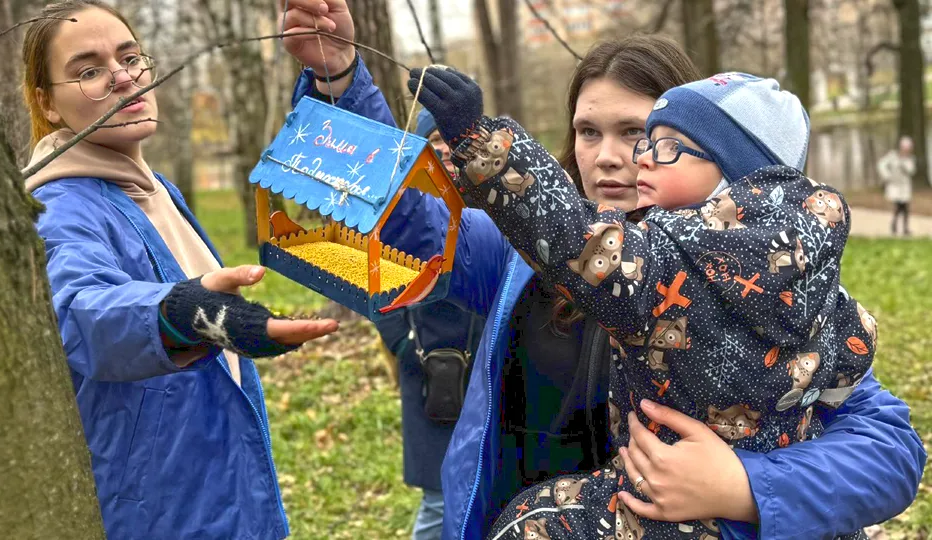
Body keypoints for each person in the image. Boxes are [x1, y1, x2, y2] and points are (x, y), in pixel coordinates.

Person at [277, 2, 925, 539]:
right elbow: (403, 225)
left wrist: (743, 487)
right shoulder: (520, 247)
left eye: (640, 134)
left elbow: (890, 451)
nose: (614, 157)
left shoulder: (767, 283)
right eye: (589, 132)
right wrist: (339, 82)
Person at [410, 66, 877, 538]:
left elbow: (568, 232)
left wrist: (480, 141)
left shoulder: (660, 267)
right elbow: (855, 353)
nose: (640, 159)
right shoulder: (820, 293)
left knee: (528, 523)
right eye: (590, 132)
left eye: (664, 145)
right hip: (784, 523)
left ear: (734, 176)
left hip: (655, 514)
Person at [21, 2, 338, 538]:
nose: (123, 78)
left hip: (220, 481)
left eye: (129, 57)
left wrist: (332, 75)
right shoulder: (63, 206)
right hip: (162, 507)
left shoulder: (149, 187)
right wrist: (177, 313)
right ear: (47, 104)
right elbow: (80, 311)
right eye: (90, 70)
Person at [373, 107, 485, 540]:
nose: (442, 148)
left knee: (487, 483)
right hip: (428, 375)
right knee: (439, 498)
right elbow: (379, 287)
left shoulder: (494, 205)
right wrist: (405, 345)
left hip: (486, 369)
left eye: (449, 138)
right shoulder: (402, 214)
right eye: (431, 139)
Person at [878, 135, 916, 236]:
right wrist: (887, 176)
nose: (906, 150)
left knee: (904, 207)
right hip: (894, 186)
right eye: (905, 148)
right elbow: (881, 164)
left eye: (908, 148)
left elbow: (911, 171)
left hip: (905, 187)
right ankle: (900, 227)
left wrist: (903, 163)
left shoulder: (910, 159)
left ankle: (900, 227)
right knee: (900, 206)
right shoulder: (892, 155)